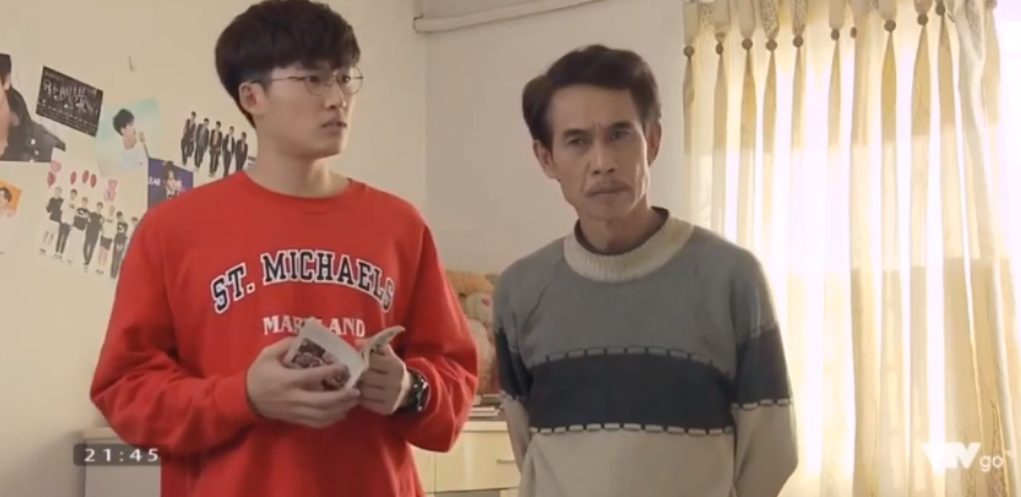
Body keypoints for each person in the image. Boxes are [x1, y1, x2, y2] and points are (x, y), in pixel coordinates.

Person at [89, 2, 478, 497]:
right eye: (313, 80)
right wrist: (243, 396)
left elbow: (455, 374)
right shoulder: (172, 230)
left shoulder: (400, 226)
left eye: (344, 78)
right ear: (253, 96)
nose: (337, 98)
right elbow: (125, 392)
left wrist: (409, 390)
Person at [493, 44, 798, 497]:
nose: (602, 162)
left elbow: (770, 452)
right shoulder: (520, 292)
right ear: (546, 159)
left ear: (652, 141)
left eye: (620, 134)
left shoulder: (732, 279)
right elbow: (529, 447)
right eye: (577, 141)